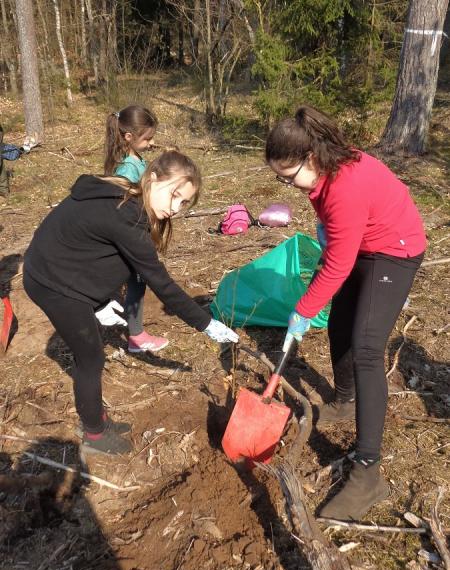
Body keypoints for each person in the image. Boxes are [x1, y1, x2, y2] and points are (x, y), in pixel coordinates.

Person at [266, 105, 426, 521]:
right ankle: (345, 400)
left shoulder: (345, 187)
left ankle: (368, 475)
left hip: (394, 249)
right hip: (363, 245)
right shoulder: (326, 171)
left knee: (368, 347)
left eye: (288, 175)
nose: (287, 184)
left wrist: (302, 310)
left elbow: (337, 264)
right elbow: (339, 247)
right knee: (339, 325)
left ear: (312, 157)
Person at [23, 150, 239, 456]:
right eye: (174, 195)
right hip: (51, 283)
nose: (175, 208)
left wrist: (99, 301)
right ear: (152, 177)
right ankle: (94, 435)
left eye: (184, 203)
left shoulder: (126, 196)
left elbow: (88, 249)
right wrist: (206, 323)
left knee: (93, 349)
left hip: (56, 269)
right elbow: (162, 284)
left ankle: (95, 417)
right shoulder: (127, 215)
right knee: (91, 359)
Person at [102, 104, 167, 354]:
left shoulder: (136, 160)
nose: (152, 142)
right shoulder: (127, 169)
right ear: (129, 137)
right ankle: (136, 337)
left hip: (140, 234)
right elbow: (125, 207)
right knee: (137, 283)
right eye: (147, 138)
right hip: (133, 237)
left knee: (136, 283)